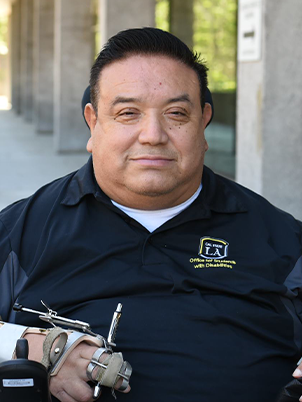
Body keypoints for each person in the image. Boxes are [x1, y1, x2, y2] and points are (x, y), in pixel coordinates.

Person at [0, 27, 302, 402]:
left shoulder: (283, 239)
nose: (153, 134)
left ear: (203, 122)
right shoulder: (19, 232)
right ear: (93, 123)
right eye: (128, 113)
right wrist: (27, 344)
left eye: (176, 113)